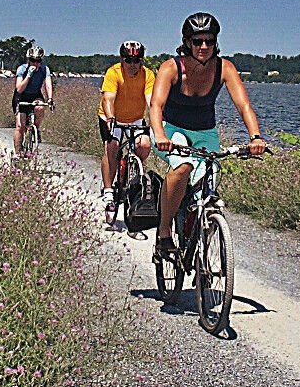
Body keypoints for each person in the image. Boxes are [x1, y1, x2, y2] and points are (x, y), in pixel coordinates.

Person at [147, 13, 266, 259]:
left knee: (208, 183)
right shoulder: (171, 67)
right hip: (170, 129)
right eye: (198, 41)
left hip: (205, 133)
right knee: (183, 168)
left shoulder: (225, 68)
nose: (203, 47)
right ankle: (164, 232)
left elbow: (244, 105)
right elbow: (156, 105)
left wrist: (255, 137)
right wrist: (159, 134)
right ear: (187, 42)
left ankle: (200, 231)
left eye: (209, 41)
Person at [99, 40, 156, 224]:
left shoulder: (147, 75)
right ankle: (108, 191)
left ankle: (133, 173)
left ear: (142, 61)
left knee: (145, 144)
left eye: (137, 60)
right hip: (111, 117)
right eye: (128, 60)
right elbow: (108, 98)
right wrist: (110, 118)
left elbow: (151, 100)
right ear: (122, 60)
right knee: (113, 145)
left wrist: (157, 122)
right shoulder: (113, 72)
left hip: (135, 118)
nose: (133, 65)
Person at [12, 45, 53, 154]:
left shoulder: (44, 69)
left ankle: (35, 129)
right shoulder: (22, 69)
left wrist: (50, 98)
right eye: (33, 60)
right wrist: (29, 75)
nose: (35, 63)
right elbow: (19, 89)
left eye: (38, 61)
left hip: (35, 94)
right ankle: (17, 153)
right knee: (20, 126)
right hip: (21, 96)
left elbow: (48, 84)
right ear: (28, 60)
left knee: (40, 108)